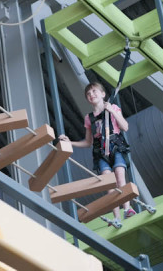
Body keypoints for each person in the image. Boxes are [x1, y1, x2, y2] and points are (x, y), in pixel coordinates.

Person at [59, 82, 135, 228]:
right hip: (100, 152)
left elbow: (125, 127)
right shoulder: (89, 118)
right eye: (88, 94)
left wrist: (112, 111)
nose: (91, 94)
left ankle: (127, 208)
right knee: (109, 182)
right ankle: (116, 216)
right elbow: (88, 142)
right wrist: (71, 143)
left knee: (120, 175)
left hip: (116, 147)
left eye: (94, 91)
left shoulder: (113, 108)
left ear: (102, 94)